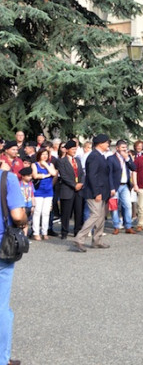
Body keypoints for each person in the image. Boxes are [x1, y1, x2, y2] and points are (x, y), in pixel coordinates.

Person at [0, 163, 28, 365]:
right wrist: (24, 223)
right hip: (1, 247)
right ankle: (2, 358)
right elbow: (17, 215)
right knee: (1, 308)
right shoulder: (6, 178)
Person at [71, 134, 114, 252]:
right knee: (95, 215)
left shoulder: (100, 156)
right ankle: (79, 239)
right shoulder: (94, 156)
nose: (108, 144)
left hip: (102, 191)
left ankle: (97, 240)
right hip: (94, 192)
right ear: (100, 144)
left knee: (100, 217)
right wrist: (97, 192)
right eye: (106, 142)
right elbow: (92, 176)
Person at [57, 140, 85, 240]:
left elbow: (82, 173)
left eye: (75, 149)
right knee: (66, 212)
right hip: (68, 189)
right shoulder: (61, 161)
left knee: (78, 211)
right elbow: (64, 176)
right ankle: (64, 231)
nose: (74, 151)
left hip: (79, 190)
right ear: (67, 150)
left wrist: (81, 183)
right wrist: (74, 185)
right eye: (73, 149)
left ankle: (77, 230)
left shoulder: (77, 160)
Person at [107, 140, 136, 235]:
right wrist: (111, 187)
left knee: (127, 205)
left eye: (125, 148)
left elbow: (134, 168)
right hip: (115, 186)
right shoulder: (111, 158)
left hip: (125, 186)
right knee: (114, 207)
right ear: (117, 148)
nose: (124, 149)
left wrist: (127, 159)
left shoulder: (127, 158)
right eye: (122, 148)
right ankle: (116, 226)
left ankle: (128, 226)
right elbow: (109, 174)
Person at [31, 148, 57, 240]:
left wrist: (46, 164)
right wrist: (45, 175)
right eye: (43, 154)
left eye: (46, 154)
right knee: (37, 212)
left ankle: (44, 232)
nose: (45, 156)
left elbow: (54, 173)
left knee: (46, 213)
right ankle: (36, 232)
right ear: (39, 155)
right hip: (38, 191)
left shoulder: (50, 164)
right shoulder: (34, 165)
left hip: (48, 191)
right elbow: (35, 175)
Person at [18, 166, 34, 237]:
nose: (30, 177)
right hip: (21, 206)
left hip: (29, 205)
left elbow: (32, 195)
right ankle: (19, 237)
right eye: (28, 176)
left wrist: (33, 206)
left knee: (26, 222)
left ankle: (25, 237)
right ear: (23, 176)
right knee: (20, 222)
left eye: (30, 176)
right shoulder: (19, 184)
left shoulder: (31, 184)